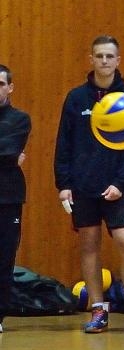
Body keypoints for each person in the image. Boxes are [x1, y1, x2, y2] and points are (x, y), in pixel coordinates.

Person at [54, 35, 124, 335]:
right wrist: (64, 183)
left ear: (118, 60)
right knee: (88, 244)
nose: (105, 61)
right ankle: (98, 310)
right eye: (99, 56)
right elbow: (64, 143)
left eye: (110, 56)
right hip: (83, 186)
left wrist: (120, 183)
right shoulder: (76, 98)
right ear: (92, 59)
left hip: (116, 187)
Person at [0, 64, 32, 333]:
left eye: (0, 84)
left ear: (10, 87)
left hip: (7, 197)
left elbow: (10, 150)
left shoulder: (19, 119)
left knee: (4, 257)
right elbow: (7, 155)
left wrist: (10, 156)